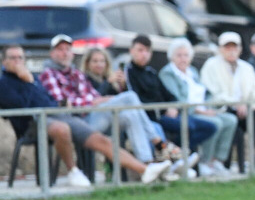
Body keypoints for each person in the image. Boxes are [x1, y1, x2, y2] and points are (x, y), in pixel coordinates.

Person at [0, 44, 174, 187]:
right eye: (13, 58)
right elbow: (22, 105)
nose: (18, 62)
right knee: (62, 128)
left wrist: (30, 81)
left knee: (102, 139)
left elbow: (47, 103)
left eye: (20, 58)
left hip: (57, 115)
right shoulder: (5, 82)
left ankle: (146, 169)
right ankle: (73, 171)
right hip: (32, 124)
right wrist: (29, 82)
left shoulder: (34, 77)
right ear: (4, 61)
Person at [38, 34, 177, 169]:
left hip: (96, 115)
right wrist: (97, 99)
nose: (64, 53)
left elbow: (95, 96)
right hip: (77, 122)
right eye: (60, 50)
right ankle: (159, 144)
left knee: (131, 115)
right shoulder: (48, 74)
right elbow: (63, 103)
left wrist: (109, 95)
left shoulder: (76, 74)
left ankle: (147, 164)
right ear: (52, 53)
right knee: (130, 97)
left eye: (67, 49)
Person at [124, 33, 214, 164]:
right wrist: (164, 109)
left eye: (147, 51)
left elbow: (169, 95)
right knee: (188, 126)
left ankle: (180, 155)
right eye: (140, 50)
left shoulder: (151, 72)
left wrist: (173, 106)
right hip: (153, 116)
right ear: (131, 51)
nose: (144, 54)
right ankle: (178, 158)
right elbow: (136, 100)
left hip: (168, 113)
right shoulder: (128, 72)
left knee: (210, 127)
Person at [159, 38, 238, 178]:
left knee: (230, 120)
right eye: (179, 55)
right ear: (172, 57)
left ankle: (218, 160)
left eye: (186, 55)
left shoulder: (192, 71)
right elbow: (176, 98)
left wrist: (209, 107)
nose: (183, 59)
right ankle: (205, 161)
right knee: (216, 123)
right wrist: (201, 111)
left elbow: (205, 92)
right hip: (188, 112)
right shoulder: (168, 73)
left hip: (203, 108)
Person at [199, 32, 255, 171]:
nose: (231, 51)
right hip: (221, 109)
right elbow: (213, 93)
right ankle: (220, 161)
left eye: (234, 47)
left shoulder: (246, 68)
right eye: (227, 47)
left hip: (245, 109)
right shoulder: (211, 66)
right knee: (229, 119)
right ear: (220, 49)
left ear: (240, 49)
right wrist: (236, 103)